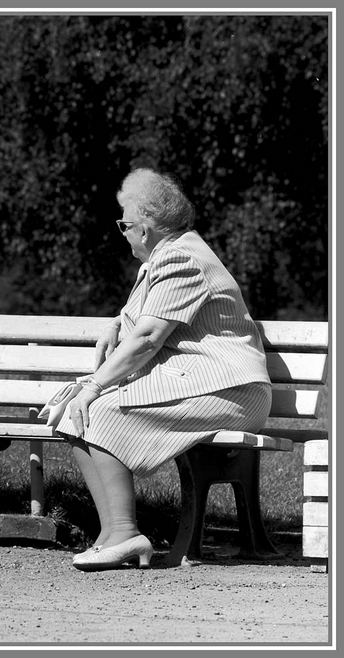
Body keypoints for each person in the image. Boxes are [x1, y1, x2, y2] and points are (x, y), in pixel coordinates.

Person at [60, 168, 272, 571]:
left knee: (99, 408)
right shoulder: (164, 257)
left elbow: (147, 339)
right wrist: (114, 325)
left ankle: (125, 532)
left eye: (124, 223)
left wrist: (94, 385)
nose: (121, 232)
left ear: (146, 228)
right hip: (199, 382)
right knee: (71, 416)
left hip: (230, 389)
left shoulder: (181, 258)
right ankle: (112, 535)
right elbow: (138, 319)